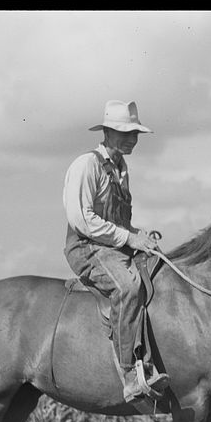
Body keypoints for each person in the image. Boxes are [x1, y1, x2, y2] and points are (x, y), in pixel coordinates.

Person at [63, 99, 168, 402]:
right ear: (107, 132)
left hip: (113, 245)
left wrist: (139, 235)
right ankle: (131, 376)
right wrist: (129, 238)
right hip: (87, 248)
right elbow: (82, 219)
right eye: (125, 133)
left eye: (135, 134)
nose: (132, 139)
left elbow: (119, 222)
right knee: (128, 288)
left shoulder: (121, 168)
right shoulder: (86, 165)